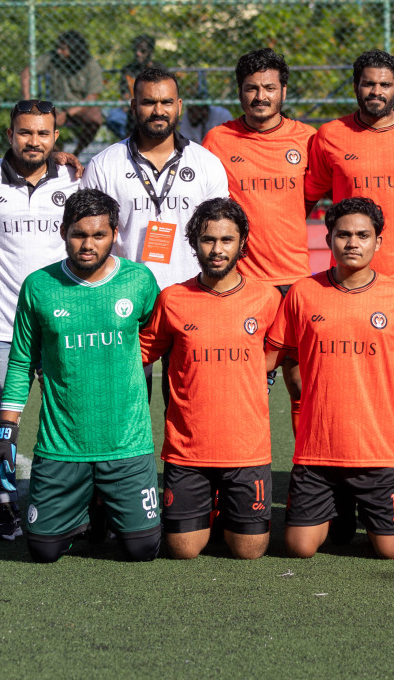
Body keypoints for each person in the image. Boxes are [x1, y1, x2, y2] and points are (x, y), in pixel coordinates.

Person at [305, 49, 394, 488]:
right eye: (369, 83)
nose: (377, 91)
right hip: (347, 285)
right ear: (356, 87)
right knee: (346, 382)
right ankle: (337, 475)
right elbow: (307, 197)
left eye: (385, 84)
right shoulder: (330, 136)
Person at [0, 189, 162, 564]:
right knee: (43, 551)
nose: (88, 244)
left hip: (126, 443)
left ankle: (103, 503)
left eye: (98, 235)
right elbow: (22, 360)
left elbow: (156, 337)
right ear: (63, 231)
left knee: (142, 549)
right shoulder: (38, 286)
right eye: (78, 234)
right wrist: (7, 428)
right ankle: (86, 510)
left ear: (115, 234)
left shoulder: (140, 281)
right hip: (62, 445)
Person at [0, 99, 82, 540]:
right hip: (0, 327)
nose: (35, 141)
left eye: (44, 134)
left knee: (68, 415)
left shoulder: (72, 178)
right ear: (10, 134)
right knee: (1, 420)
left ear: (55, 137)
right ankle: (6, 507)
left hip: (60, 324)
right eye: (26, 133)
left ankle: (67, 504)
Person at [266, 198, 394, 560]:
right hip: (319, 450)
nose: (353, 243)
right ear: (328, 238)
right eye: (343, 234)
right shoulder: (302, 292)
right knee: (300, 549)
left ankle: (353, 507)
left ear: (378, 242)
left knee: (392, 552)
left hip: (380, 450)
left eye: (363, 235)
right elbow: (270, 357)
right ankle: (339, 507)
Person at [140, 199, 281, 560]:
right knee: (182, 551)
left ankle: (222, 514)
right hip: (189, 452)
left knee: (249, 552)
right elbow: (140, 352)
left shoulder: (267, 298)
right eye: (207, 240)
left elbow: (284, 350)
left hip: (247, 450)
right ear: (194, 242)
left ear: (242, 242)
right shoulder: (173, 299)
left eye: (226, 240)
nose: (217, 250)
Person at [201, 48, 316, 418]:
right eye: (251, 88)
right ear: (239, 92)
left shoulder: (309, 140)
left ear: (283, 91)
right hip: (243, 283)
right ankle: (246, 471)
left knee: (300, 382)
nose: (260, 96)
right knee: (248, 384)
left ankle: (307, 472)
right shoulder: (218, 140)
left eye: (269, 87)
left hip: (294, 280)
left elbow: (325, 195)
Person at [80, 66, 230, 291]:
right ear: (134, 107)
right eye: (149, 102)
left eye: (166, 102)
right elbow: (87, 238)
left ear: (178, 106)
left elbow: (221, 235)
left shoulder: (207, 164)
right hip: (125, 297)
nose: (158, 111)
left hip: (193, 294)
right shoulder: (103, 165)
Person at [21, 30, 106, 154]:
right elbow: (27, 72)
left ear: (75, 51)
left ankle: (77, 152)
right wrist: (27, 101)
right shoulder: (52, 58)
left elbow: (91, 98)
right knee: (41, 120)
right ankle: (54, 152)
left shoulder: (91, 65)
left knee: (95, 118)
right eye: (58, 48)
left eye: (63, 49)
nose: (58, 51)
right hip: (55, 106)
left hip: (80, 107)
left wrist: (67, 114)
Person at [104, 35, 159, 139]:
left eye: (143, 51)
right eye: (136, 50)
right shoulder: (128, 70)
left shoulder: (159, 69)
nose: (138, 53)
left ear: (150, 52)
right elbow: (125, 93)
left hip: (153, 107)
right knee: (113, 118)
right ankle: (129, 141)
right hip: (132, 107)